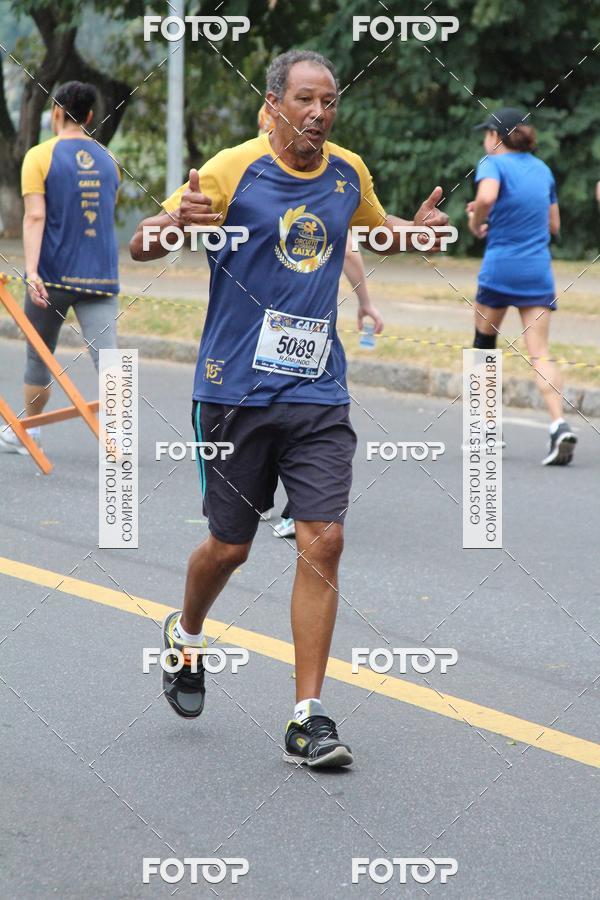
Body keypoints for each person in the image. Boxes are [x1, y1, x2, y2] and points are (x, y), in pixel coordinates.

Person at [130, 49, 449, 768]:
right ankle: (186, 634)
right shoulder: (232, 168)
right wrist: (175, 222)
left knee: (324, 541)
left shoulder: (347, 172)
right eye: (305, 99)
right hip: (233, 391)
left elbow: (377, 227)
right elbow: (144, 243)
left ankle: (309, 716)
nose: (318, 112)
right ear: (273, 104)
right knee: (230, 547)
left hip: (316, 391)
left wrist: (418, 232)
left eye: (329, 101)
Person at [258, 102, 383, 539]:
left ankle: (301, 506)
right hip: (250, 354)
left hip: (311, 342)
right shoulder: (244, 173)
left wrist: (365, 302)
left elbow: (349, 245)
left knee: (313, 420)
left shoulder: (335, 174)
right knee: (229, 544)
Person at [0, 81, 120, 455]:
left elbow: (35, 217)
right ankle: (118, 438)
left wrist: (32, 272)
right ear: (89, 116)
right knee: (109, 357)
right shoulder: (109, 159)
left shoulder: (39, 156)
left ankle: (31, 433)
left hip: (51, 276)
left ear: (56, 111)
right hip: (100, 275)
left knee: (39, 355)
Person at [467, 107, 576, 466]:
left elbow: (486, 198)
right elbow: (554, 226)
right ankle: (559, 424)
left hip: (500, 268)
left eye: (486, 134)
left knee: (484, 344)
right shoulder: (542, 169)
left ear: (495, 137)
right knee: (540, 352)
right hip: (536, 271)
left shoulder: (492, 163)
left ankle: (485, 431)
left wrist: (477, 221)